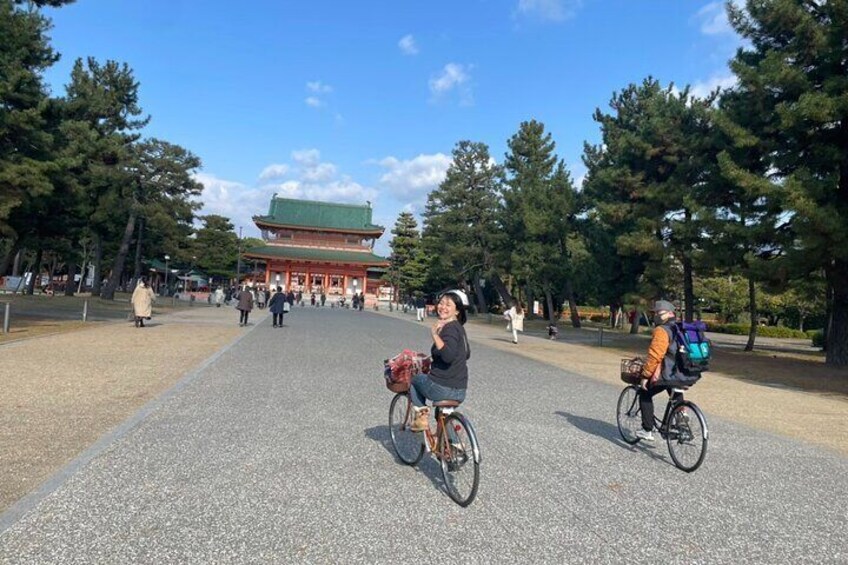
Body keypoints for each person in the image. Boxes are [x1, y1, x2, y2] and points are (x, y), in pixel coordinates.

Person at [409, 290, 471, 432]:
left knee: (415, 379)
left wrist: (434, 334)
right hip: (460, 389)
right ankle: (454, 445)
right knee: (443, 415)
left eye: (448, 305)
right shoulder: (459, 328)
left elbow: (448, 356)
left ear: (457, 311)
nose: (443, 307)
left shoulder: (449, 329)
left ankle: (421, 418)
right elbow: (466, 354)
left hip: (441, 388)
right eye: (441, 303)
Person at [636, 299, 684, 441]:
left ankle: (647, 429)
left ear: (670, 313)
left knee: (644, 393)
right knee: (675, 391)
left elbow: (655, 355)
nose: (656, 315)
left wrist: (645, 375)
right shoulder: (681, 328)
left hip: (667, 373)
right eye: (655, 313)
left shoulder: (662, 330)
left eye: (659, 313)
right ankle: (682, 419)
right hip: (685, 372)